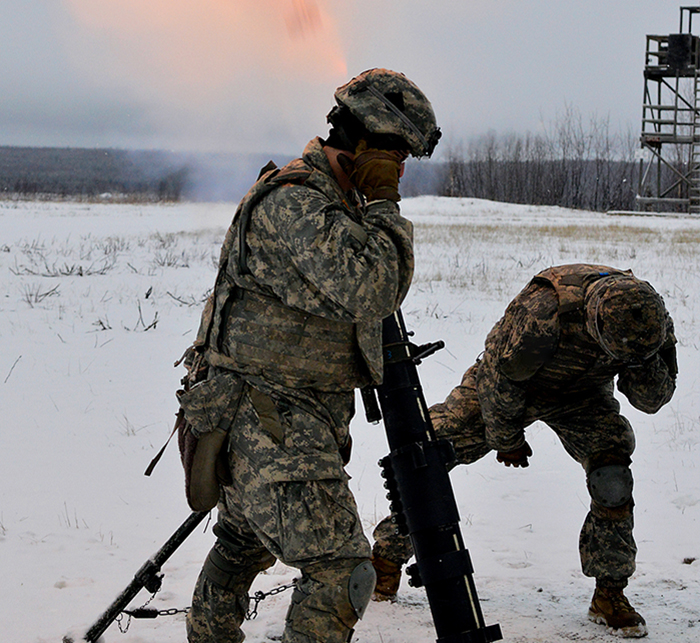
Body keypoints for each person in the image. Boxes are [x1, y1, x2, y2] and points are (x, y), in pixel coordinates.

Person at [175, 68, 441, 643]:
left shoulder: (332, 202)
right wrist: (385, 205)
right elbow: (371, 286)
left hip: (283, 414)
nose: (400, 171)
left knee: (242, 543)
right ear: (368, 142)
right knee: (341, 570)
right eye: (397, 156)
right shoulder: (297, 203)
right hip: (267, 417)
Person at [370, 263, 677, 639]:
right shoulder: (543, 313)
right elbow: (499, 384)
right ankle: (386, 556)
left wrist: (641, 363)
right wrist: (507, 440)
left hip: (582, 397)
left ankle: (610, 593)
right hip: (509, 388)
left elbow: (651, 400)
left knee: (612, 480)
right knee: (429, 454)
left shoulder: (647, 319)